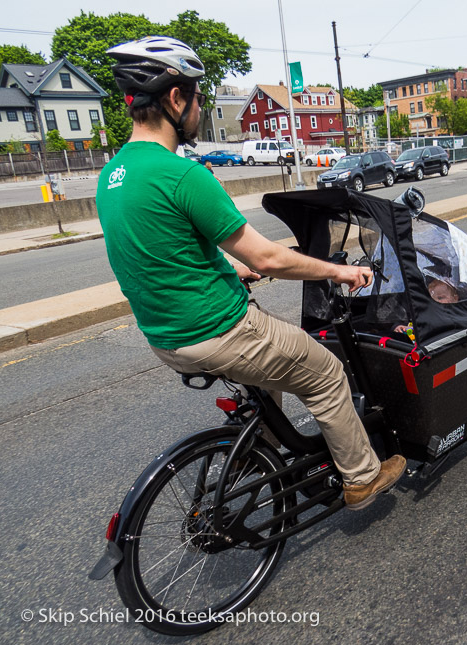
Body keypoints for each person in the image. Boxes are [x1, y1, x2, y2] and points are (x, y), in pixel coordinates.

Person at [95, 36, 405, 511]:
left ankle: (261, 453)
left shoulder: (114, 174)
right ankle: (362, 478)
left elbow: (162, 253)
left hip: (166, 337)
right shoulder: (181, 175)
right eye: (198, 96)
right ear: (176, 99)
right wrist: (337, 272)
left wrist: (228, 269)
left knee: (270, 375)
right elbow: (271, 259)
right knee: (324, 371)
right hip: (217, 330)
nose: (200, 105)